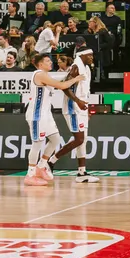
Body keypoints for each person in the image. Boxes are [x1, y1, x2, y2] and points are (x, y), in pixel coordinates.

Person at [22, 53, 82, 186]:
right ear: (40, 64)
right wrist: (76, 78)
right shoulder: (40, 74)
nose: (51, 62)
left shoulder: (46, 75)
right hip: (37, 115)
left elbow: (60, 81)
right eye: (48, 61)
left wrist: (70, 75)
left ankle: (41, 166)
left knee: (55, 139)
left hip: (46, 114)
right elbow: (61, 86)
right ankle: (30, 174)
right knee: (37, 144)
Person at [51, 41, 98, 183]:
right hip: (72, 108)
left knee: (83, 140)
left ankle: (82, 172)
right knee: (79, 139)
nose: (92, 58)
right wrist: (78, 101)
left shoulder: (87, 68)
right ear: (82, 55)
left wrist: (86, 108)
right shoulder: (76, 67)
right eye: (89, 55)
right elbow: (65, 87)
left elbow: (85, 92)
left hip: (81, 108)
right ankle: (51, 161)